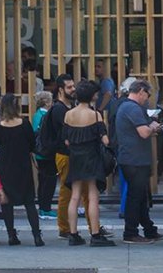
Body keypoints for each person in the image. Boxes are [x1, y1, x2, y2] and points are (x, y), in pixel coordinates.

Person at [62, 78, 113, 246]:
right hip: (92, 158)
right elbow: (105, 140)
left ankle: (73, 234)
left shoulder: (69, 114)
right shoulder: (95, 115)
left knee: (74, 196)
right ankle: (96, 234)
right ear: (92, 96)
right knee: (92, 196)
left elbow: (66, 141)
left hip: (75, 158)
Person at [113, 79, 163, 245]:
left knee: (140, 197)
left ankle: (149, 229)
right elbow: (143, 132)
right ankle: (130, 232)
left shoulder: (128, 107)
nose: (147, 98)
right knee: (135, 197)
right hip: (134, 160)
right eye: (147, 94)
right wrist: (154, 126)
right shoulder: (132, 108)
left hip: (133, 159)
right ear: (141, 91)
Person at [0, 95, 45, 245]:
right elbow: (31, 143)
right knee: (29, 202)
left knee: (7, 203)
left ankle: (11, 235)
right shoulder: (25, 123)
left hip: (5, 166)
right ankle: (36, 235)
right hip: (23, 166)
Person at [43, 73, 75, 236]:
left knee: (73, 191)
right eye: (69, 87)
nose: (73, 89)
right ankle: (64, 228)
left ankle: (68, 226)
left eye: (73, 86)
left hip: (69, 154)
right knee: (66, 191)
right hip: (64, 154)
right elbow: (65, 134)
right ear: (61, 90)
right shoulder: (59, 109)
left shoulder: (67, 107)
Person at [30, 90, 58, 220]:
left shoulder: (37, 115)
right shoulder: (45, 115)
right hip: (46, 152)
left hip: (40, 152)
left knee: (43, 181)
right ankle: (45, 208)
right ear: (47, 102)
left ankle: (43, 207)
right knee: (49, 181)